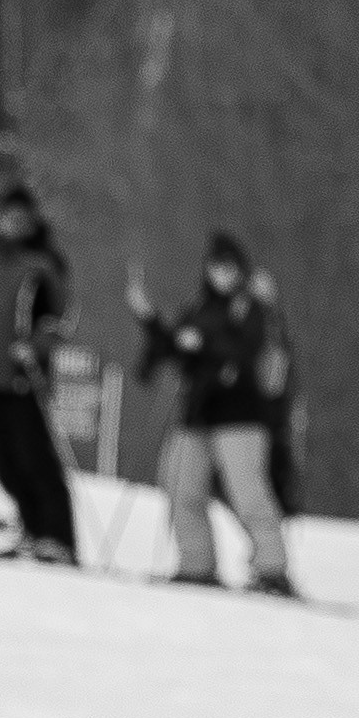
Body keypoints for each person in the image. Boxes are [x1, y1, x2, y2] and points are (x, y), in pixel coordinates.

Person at [128, 231, 294, 595]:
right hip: (196, 413)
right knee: (181, 488)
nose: (223, 274)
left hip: (240, 415)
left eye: (229, 267)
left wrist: (203, 345)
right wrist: (151, 320)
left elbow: (246, 350)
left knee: (248, 493)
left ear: (240, 270)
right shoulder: (200, 307)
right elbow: (174, 347)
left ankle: (272, 567)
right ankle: (196, 563)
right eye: (216, 266)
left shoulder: (252, 306)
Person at [0, 181, 77, 563]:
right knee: (6, 464)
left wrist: (36, 346)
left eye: (20, 218)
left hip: (24, 375)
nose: (13, 224)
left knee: (35, 458)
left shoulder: (42, 264)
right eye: (7, 217)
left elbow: (59, 317)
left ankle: (58, 537)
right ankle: (32, 528)